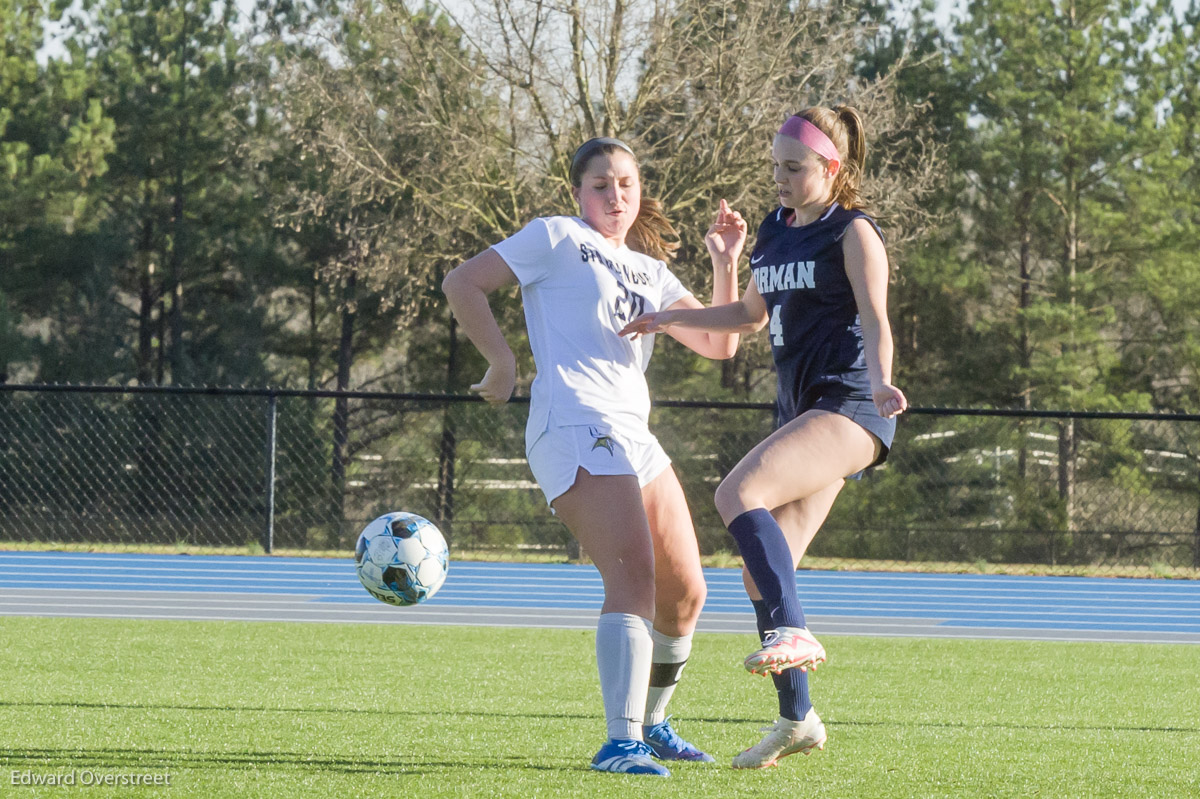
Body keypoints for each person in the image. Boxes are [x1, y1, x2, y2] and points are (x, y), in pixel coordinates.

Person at [441, 137, 747, 776]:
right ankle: (620, 740)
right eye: (602, 185)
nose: (616, 196)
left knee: (686, 592)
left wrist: (726, 262)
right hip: (573, 423)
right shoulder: (555, 237)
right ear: (578, 193)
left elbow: (722, 343)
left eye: (627, 184)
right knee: (633, 576)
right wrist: (502, 362)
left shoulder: (652, 271)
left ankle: (654, 722)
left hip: (634, 433)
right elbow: (463, 281)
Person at [619, 106, 908, 768]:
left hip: (853, 404)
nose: (778, 178)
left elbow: (876, 316)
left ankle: (793, 632)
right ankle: (797, 716)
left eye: (793, 167)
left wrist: (887, 380)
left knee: (736, 490)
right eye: (774, 165)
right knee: (759, 570)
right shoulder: (777, 232)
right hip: (803, 410)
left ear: (832, 169)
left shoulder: (853, 231)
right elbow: (750, 315)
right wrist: (668, 316)